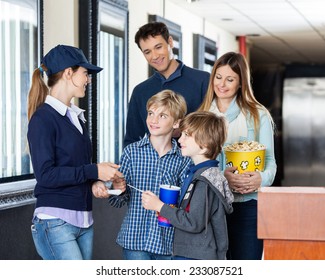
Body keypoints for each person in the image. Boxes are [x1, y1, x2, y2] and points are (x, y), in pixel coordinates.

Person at [27, 44, 124, 260]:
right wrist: (94, 170)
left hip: (84, 221)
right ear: (68, 73)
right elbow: (46, 175)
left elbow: (75, 168)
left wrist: (96, 182)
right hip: (55, 221)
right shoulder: (43, 119)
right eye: (85, 73)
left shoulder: (76, 117)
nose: (88, 79)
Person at [198, 52, 277, 260]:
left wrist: (261, 179)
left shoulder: (257, 114)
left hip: (247, 207)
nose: (222, 84)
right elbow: (193, 162)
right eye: (218, 77)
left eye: (230, 79)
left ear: (241, 83)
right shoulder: (202, 116)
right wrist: (223, 177)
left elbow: (270, 164)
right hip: (210, 207)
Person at [108, 89, 191, 260]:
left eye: (162, 116)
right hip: (134, 241)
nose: (153, 120)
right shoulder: (131, 152)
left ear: (176, 123)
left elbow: (185, 205)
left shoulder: (183, 159)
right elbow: (116, 201)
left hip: (167, 242)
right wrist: (118, 188)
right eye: (151, 113)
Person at [142, 111, 234, 260]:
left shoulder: (204, 181)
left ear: (204, 146)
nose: (180, 140)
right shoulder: (197, 173)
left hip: (196, 256)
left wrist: (160, 206)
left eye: (187, 135)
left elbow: (193, 222)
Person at [124, 21, 210, 147]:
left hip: (196, 163)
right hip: (155, 164)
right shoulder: (140, 91)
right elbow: (132, 140)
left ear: (170, 42)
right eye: (147, 52)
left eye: (158, 47)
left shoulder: (203, 80)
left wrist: (182, 128)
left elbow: (214, 128)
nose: (154, 56)